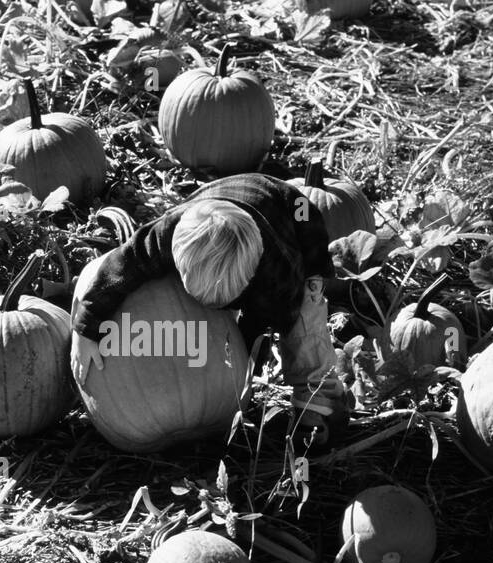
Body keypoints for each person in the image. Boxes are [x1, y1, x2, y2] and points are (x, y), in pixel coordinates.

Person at [70, 173, 347, 444]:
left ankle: (319, 393)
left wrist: (247, 358)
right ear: (178, 257)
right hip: (220, 196)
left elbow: (261, 324)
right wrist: (86, 327)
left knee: (305, 326)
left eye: (224, 298)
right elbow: (117, 270)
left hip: (296, 217)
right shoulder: (166, 235)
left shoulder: (276, 278)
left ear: (249, 277)